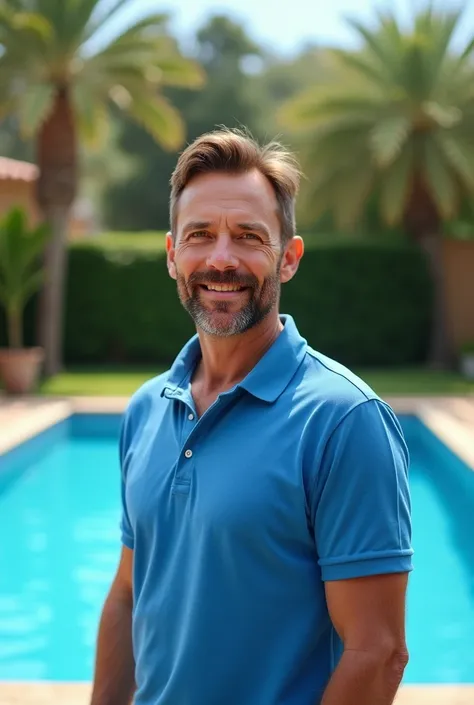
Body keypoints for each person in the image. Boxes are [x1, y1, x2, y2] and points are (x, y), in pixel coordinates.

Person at [90, 128, 413, 705]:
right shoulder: (146, 409)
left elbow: (378, 649)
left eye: (247, 237)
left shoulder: (345, 421)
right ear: (172, 255)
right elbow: (127, 595)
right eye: (199, 236)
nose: (220, 258)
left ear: (287, 258)